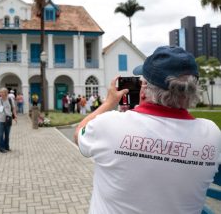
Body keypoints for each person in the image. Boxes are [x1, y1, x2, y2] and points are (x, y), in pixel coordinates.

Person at [74, 46, 221, 214]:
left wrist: (108, 103)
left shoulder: (111, 124)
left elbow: (78, 133)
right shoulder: (212, 134)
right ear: (192, 91)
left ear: (144, 89)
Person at [0, 88, 17, 153]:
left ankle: (6, 147)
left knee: (7, 134)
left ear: (6, 93)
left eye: (2, 92)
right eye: (0, 92)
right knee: (0, 134)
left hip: (8, 119)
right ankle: (1, 148)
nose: (1, 94)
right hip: (0, 120)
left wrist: (15, 116)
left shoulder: (10, 100)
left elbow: (13, 108)